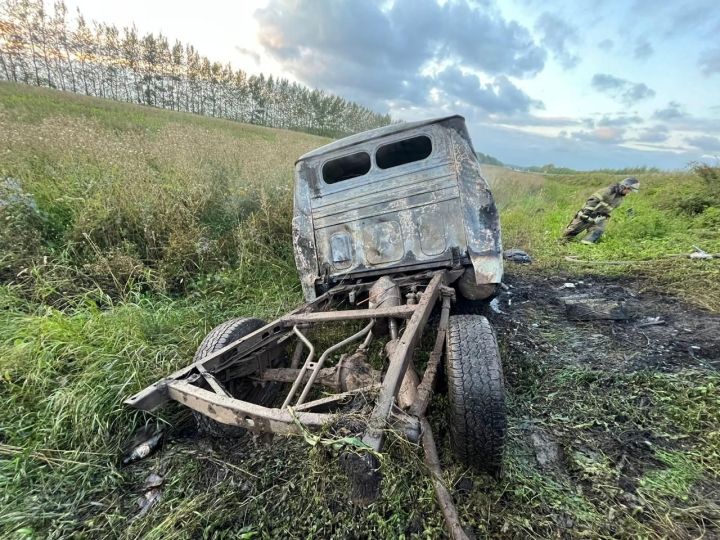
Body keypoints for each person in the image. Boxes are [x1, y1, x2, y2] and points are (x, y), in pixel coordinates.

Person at [562, 177, 640, 244]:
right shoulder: (607, 191)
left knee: (597, 231)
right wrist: (587, 215)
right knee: (571, 233)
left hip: (599, 217)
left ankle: (584, 247)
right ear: (624, 186)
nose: (629, 192)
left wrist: (604, 216)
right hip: (586, 215)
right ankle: (561, 245)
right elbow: (592, 201)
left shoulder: (620, 198)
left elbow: (609, 208)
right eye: (629, 190)